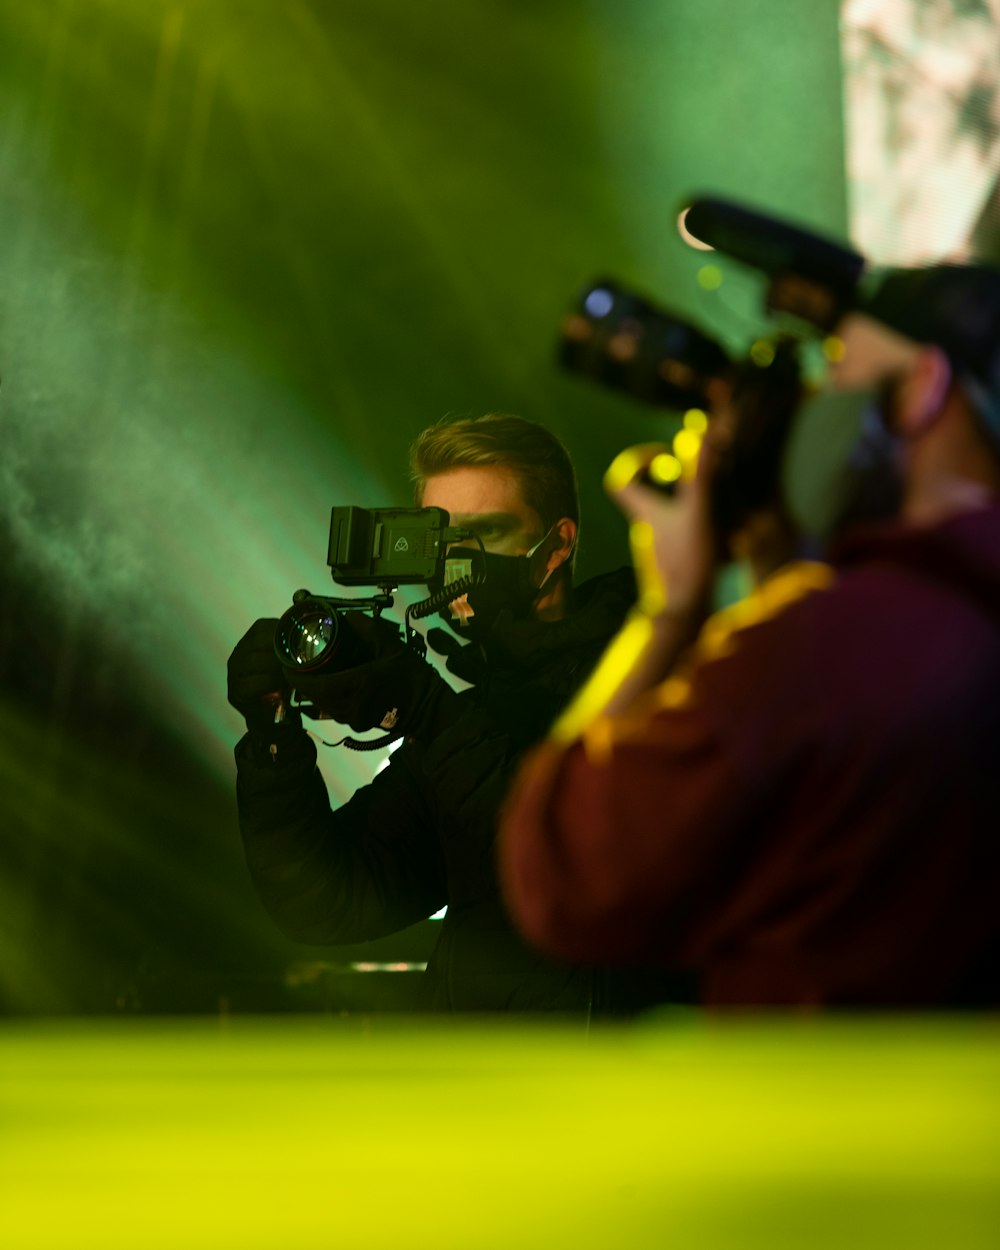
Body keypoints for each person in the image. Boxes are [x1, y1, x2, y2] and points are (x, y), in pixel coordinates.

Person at [499, 262, 1000, 1008]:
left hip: (827, 1115)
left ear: (924, 386)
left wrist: (672, 611)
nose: (822, 399)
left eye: (839, 369)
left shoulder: (825, 653)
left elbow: (561, 875)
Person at [227, 412, 667, 1013]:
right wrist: (273, 734)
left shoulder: (656, 668)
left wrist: (426, 711)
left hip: (618, 1083)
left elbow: (574, 860)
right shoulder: (478, 704)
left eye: (483, 534)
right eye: (442, 541)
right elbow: (329, 901)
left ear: (556, 545)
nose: (457, 562)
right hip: (482, 1089)